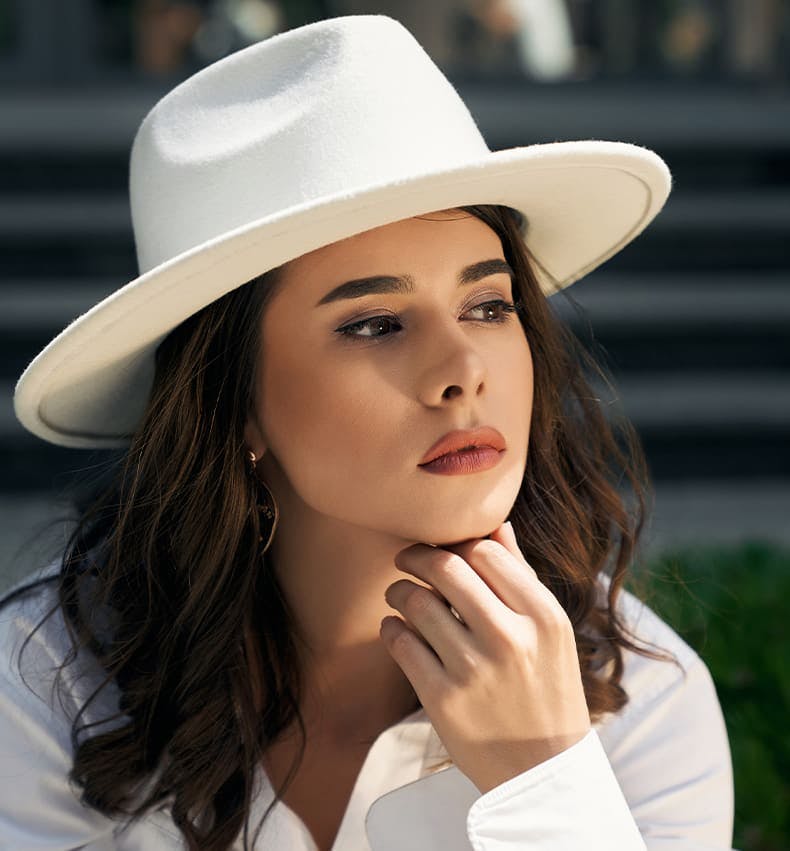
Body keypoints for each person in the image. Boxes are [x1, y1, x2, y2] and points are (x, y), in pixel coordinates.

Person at [1, 13, 734, 851]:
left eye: (488, 305)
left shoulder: (644, 706)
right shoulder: (49, 687)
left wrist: (545, 780)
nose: (464, 369)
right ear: (233, 403)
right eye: (375, 323)